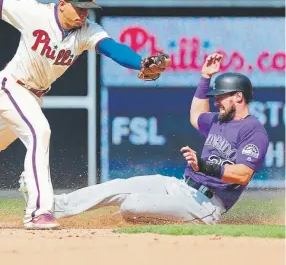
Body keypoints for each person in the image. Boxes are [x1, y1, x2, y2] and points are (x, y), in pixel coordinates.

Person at [0, 0, 171, 230]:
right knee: (40, 132)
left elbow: (112, 48)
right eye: (79, 7)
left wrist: (139, 62)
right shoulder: (35, 13)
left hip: (32, 96)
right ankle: (39, 211)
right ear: (62, 4)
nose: (84, 13)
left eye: (87, 8)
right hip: (10, 87)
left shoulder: (87, 30)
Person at [19, 53, 269, 225]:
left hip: (207, 205)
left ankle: (149, 217)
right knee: (117, 186)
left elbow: (242, 174)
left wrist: (204, 166)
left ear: (239, 97)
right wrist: (204, 77)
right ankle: (50, 205)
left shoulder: (254, 131)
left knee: (132, 204)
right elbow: (196, 115)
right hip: (181, 186)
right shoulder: (218, 120)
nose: (216, 101)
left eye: (221, 96)